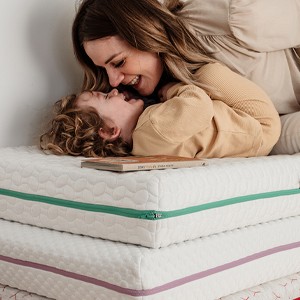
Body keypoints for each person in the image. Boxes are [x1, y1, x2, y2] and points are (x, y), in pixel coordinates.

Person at [72, 0, 300, 155]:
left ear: (146, 35)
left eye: (119, 62)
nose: (112, 82)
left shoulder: (227, 15)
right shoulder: (148, 111)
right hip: (272, 126)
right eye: (103, 69)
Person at [40, 62, 281, 158]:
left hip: (250, 139)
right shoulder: (153, 127)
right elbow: (199, 105)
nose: (114, 90)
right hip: (261, 126)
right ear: (110, 130)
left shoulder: (143, 144)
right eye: (105, 96)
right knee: (209, 73)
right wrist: (172, 89)